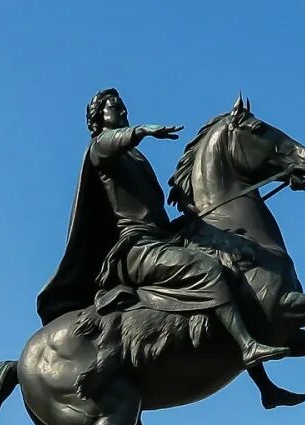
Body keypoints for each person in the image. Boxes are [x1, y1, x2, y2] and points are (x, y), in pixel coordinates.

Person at [37, 88, 291, 367]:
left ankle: (264, 384)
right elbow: (109, 143)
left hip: (159, 237)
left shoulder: (135, 158)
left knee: (231, 262)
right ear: (99, 119)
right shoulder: (101, 148)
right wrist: (141, 130)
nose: (121, 109)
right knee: (206, 269)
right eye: (113, 107)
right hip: (135, 248)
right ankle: (247, 346)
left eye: (122, 104)